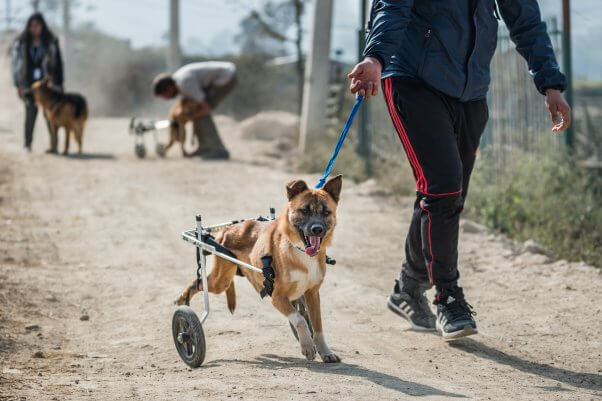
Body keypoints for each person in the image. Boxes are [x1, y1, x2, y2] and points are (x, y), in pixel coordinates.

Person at [348, 1, 571, 340]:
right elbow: (391, 8)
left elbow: (525, 22)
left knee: (444, 193)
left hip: (471, 89)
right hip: (412, 77)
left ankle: (408, 286)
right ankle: (448, 297)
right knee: (444, 187)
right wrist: (376, 57)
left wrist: (551, 85)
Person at [153, 61, 237, 160]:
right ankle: (205, 147)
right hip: (224, 75)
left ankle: (217, 150)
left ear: (169, 88)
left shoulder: (185, 83)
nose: (166, 99)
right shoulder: (180, 82)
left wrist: (189, 117)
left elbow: (206, 109)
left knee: (199, 110)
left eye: (164, 96)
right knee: (195, 110)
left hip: (226, 77)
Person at [11, 13, 64, 153]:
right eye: (32, 26)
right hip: (29, 85)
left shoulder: (51, 42)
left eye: (37, 25)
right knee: (30, 113)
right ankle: (27, 144)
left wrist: (59, 83)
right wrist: (18, 85)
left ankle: (54, 145)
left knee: (50, 115)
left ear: (42, 26)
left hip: (47, 85)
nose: (34, 29)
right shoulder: (22, 43)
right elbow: (16, 65)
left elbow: (58, 64)